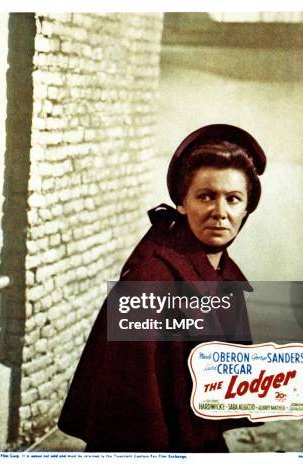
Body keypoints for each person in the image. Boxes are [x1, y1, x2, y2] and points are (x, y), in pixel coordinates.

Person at [58, 124, 266, 452]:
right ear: (182, 203)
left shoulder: (221, 273)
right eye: (206, 196)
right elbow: (132, 409)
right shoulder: (149, 279)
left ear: (247, 208)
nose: (220, 213)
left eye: (233, 199)